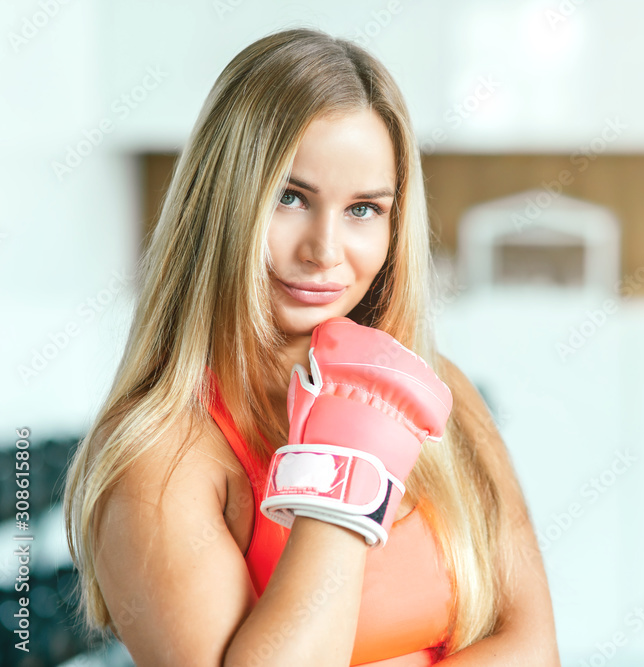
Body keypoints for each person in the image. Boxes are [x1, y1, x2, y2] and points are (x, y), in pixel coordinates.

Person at [62, 27, 559, 666]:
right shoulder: (158, 457)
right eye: (290, 198)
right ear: (224, 202)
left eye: (363, 210)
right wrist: (344, 477)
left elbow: (535, 650)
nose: (324, 250)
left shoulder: (443, 390)